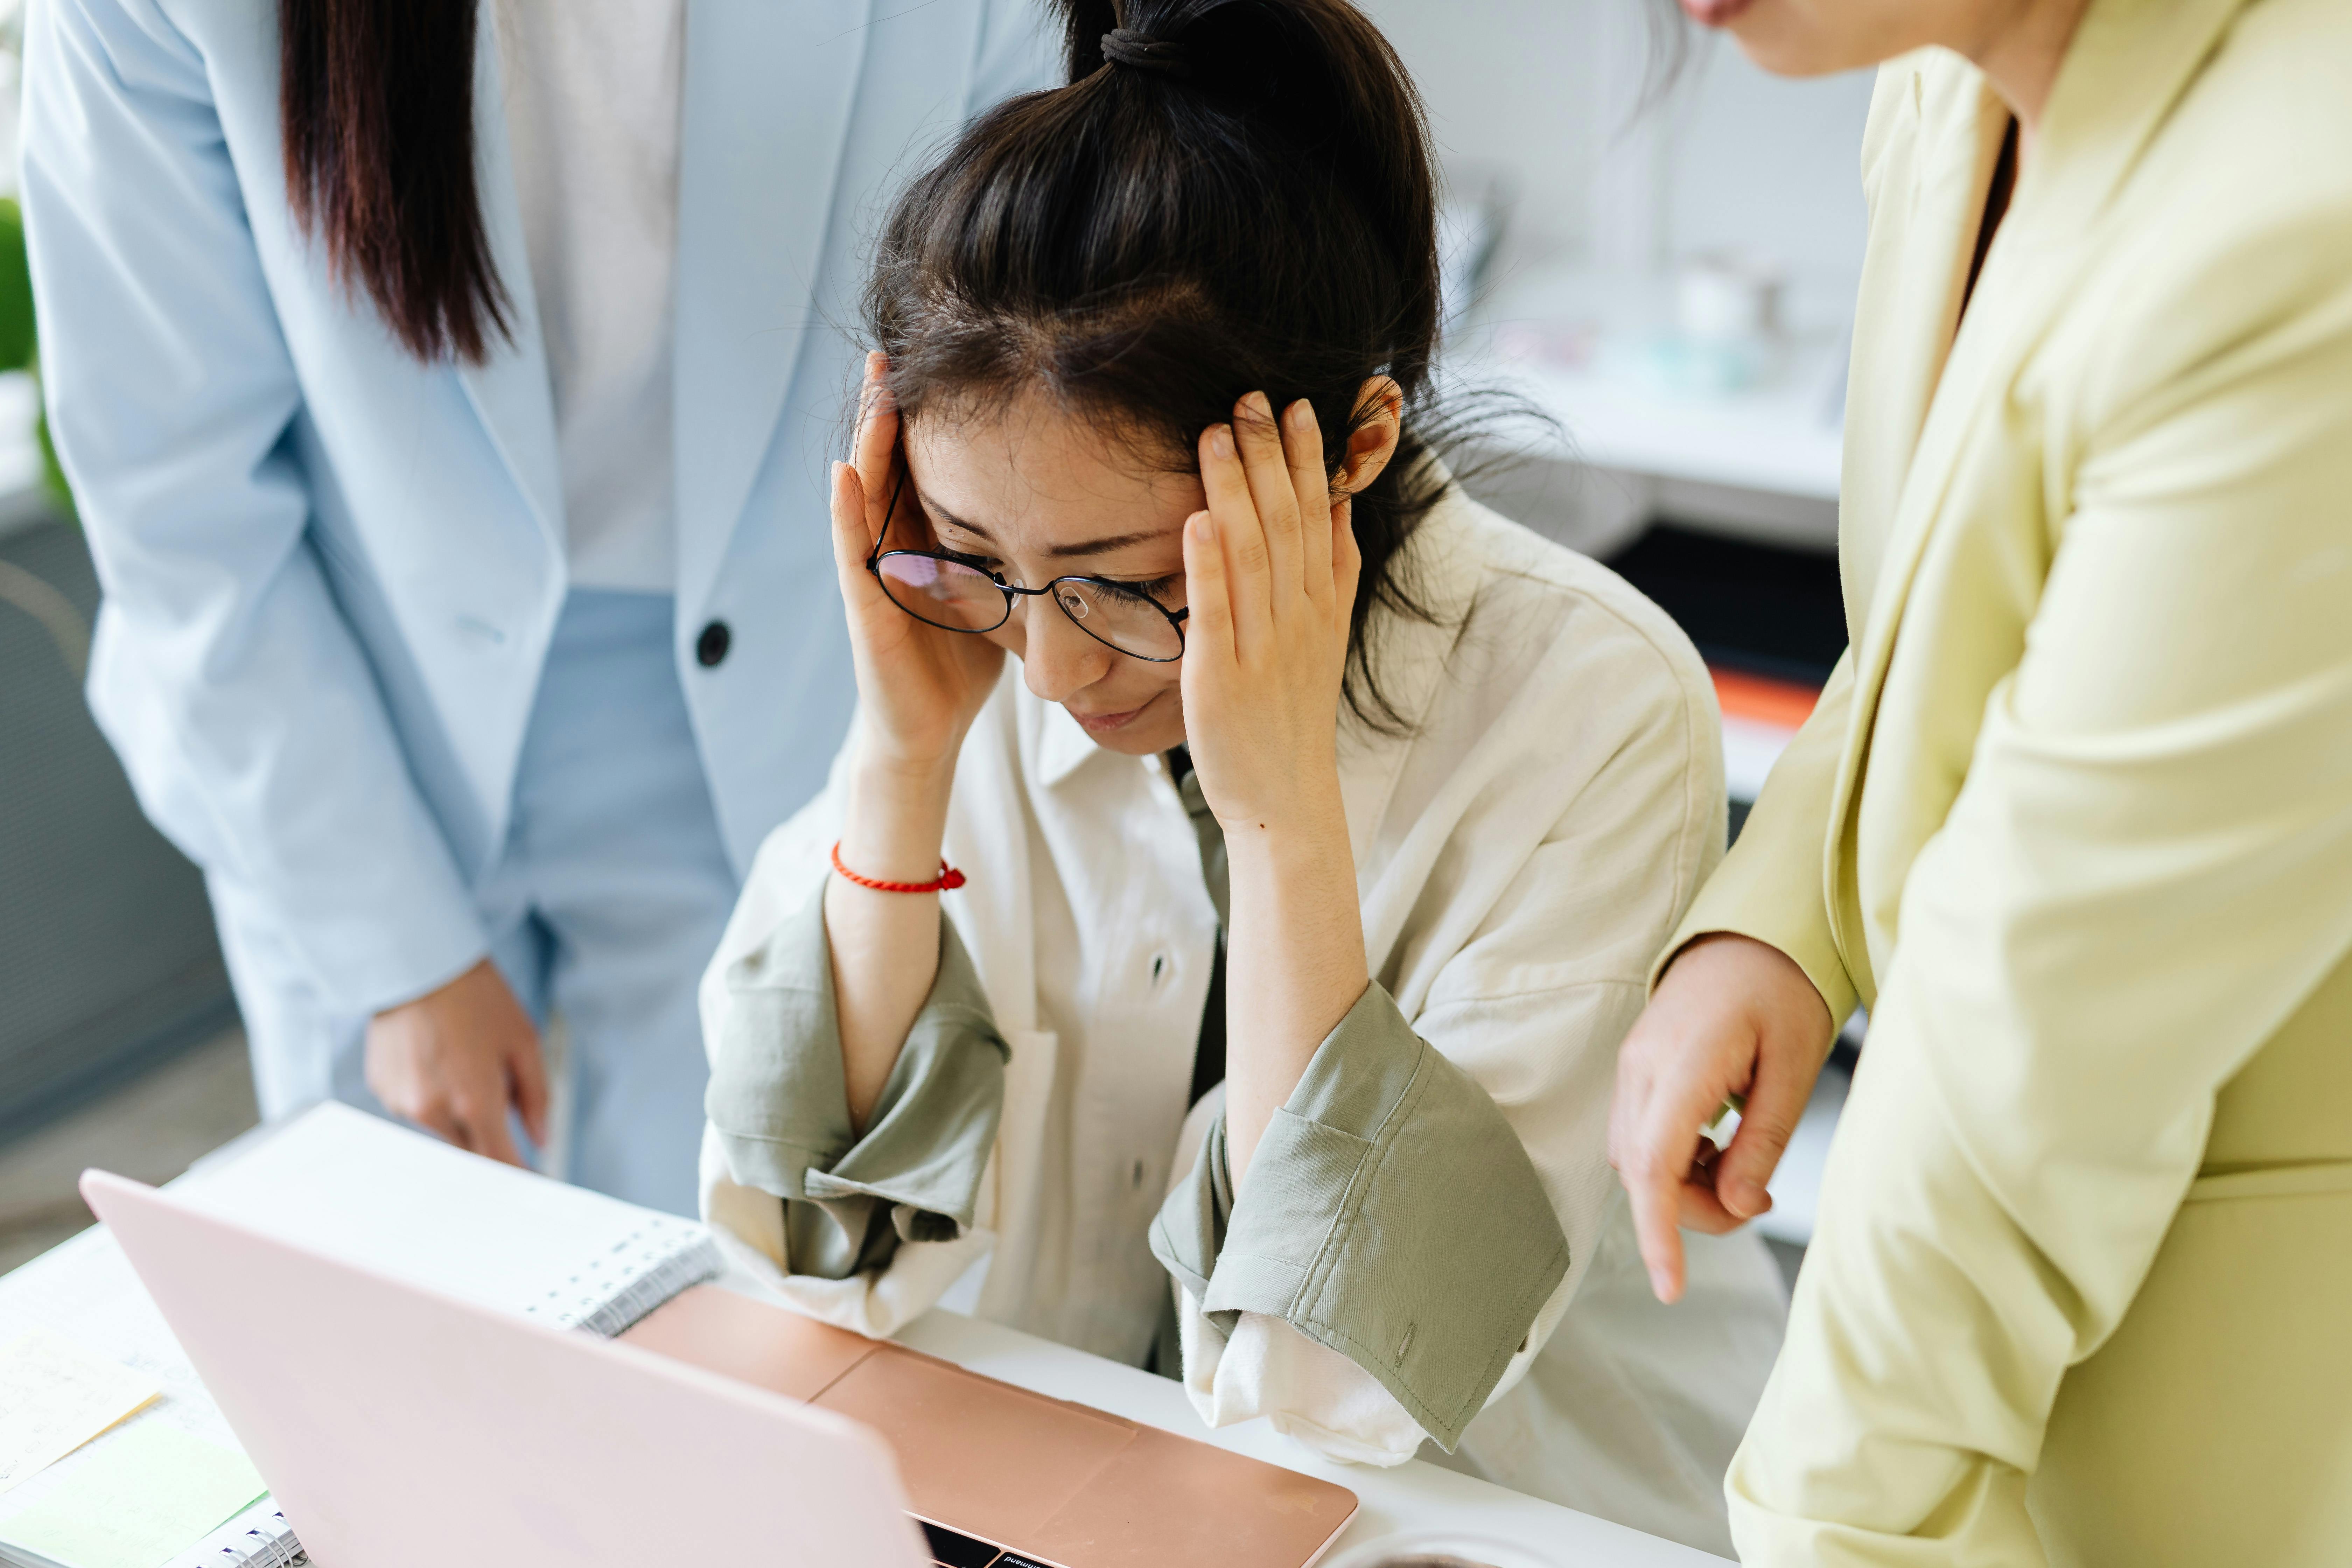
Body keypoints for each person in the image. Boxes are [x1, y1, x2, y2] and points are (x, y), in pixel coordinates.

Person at [694, 0, 1788, 1552]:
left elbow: (1324, 1391)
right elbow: (808, 1246)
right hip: (1074, 1496)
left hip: (1510, 1520)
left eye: (1120, 580)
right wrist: (902, 756)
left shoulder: (1590, 707)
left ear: (1352, 448)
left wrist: (1282, 822)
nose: (1058, 672)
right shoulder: (993, 647)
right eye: (982, 560)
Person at [20, 0, 1053, 1212]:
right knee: (387, 1293)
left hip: (774, 685)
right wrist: (394, 954)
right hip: (343, 695)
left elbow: (1013, 306)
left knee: (719, 1279)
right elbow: (173, 487)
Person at [1608, 0, 2352, 1560]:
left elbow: (2036, 1036)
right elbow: (1953, 620)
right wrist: (1791, 912)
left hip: (2262, 1384)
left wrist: (1829, 1524)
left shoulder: (2304, 212)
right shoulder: (1947, 82)